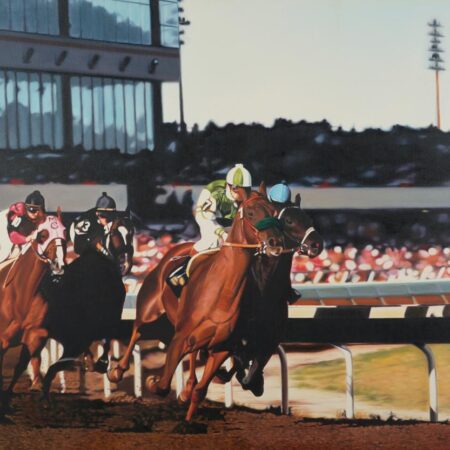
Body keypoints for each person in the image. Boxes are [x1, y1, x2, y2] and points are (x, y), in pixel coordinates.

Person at [168, 163, 253, 291]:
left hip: (232, 224)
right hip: (209, 220)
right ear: (229, 186)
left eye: (245, 189)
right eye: (237, 189)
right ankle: (183, 272)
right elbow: (205, 217)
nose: (242, 193)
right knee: (212, 240)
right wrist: (220, 231)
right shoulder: (216, 192)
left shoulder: (249, 196)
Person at [0, 190, 47, 263]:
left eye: (39, 210)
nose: (36, 213)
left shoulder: (42, 217)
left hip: (22, 227)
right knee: (5, 253)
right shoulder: (20, 213)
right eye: (32, 210)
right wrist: (25, 239)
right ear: (26, 208)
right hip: (4, 224)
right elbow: (13, 235)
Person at [70, 192, 120, 258]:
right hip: (81, 236)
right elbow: (78, 249)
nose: (106, 220)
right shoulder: (85, 222)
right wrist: (96, 245)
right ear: (97, 213)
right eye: (103, 215)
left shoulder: (115, 219)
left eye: (110, 215)